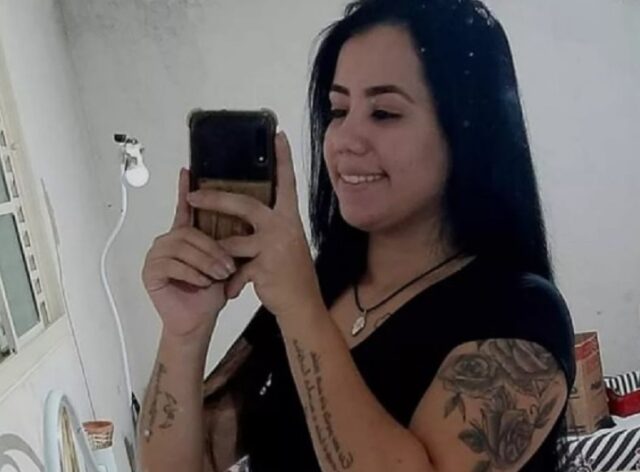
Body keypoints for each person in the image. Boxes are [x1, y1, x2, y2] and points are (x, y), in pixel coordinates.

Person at [137, 0, 576, 471]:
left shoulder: (520, 314)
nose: (345, 139)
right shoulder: (324, 282)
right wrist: (184, 333)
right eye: (339, 109)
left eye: (384, 112)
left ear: (468, 131)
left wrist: (301, 310)